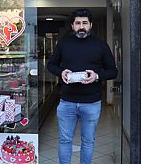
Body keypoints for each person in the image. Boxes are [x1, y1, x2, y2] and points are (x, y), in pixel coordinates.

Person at [47, 8, 118, 164]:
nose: (81, 26)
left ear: (90, 24)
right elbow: (51, 65)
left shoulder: (101, 45)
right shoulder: (63, 44)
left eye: (85, 23)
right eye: (78, 23)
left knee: (88, 141)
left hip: (91, 102)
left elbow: (113, 71)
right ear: (72, 25)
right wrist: (61, 72)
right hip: (67, 102)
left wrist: (97, 76)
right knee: (65, 140)